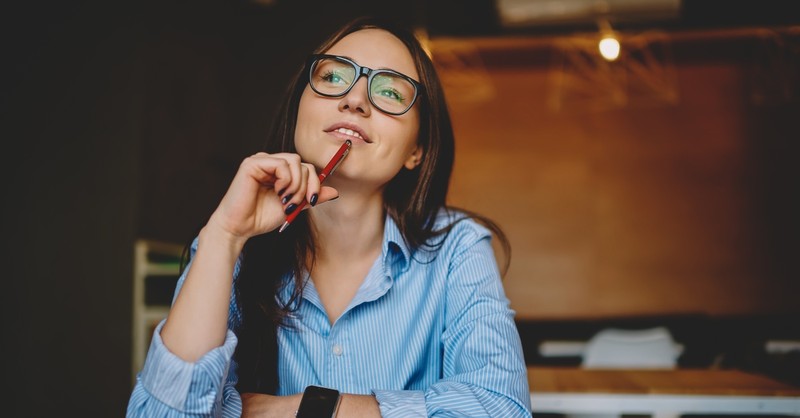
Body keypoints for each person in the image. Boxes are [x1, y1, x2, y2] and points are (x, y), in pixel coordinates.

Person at [127, 16, 531, 418]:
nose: (355, 99)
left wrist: (302, 410)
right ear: (298, 111)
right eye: (334, 77)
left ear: (417, 150)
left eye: (390, 90)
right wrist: (224, 236)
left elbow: (501, 409)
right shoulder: (232, 244)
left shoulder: (457, 246)